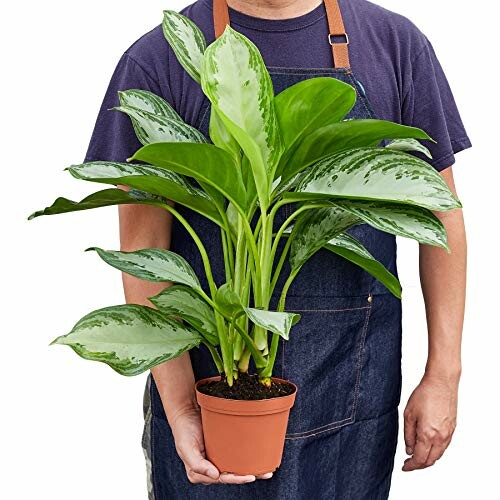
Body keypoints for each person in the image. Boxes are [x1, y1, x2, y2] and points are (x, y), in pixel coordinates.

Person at [85, 0, 470, 498]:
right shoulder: (158, 57)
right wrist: (181, 410)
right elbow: (144, 255)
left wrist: (444, 375)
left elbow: (441, 218)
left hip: (349, 400)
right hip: (209, 406)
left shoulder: (394, 45)